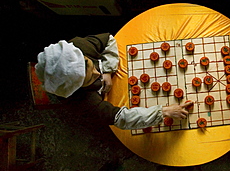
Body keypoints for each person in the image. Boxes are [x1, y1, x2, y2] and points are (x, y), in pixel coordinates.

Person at [35, 33, 192, 130]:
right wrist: (163, 111)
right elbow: (120, 118)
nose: (97, 73)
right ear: (76, 88)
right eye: (89, 79)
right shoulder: (81, 102)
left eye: (90, 64)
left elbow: (108, 39)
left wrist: (108, 71)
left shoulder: (79, 47)